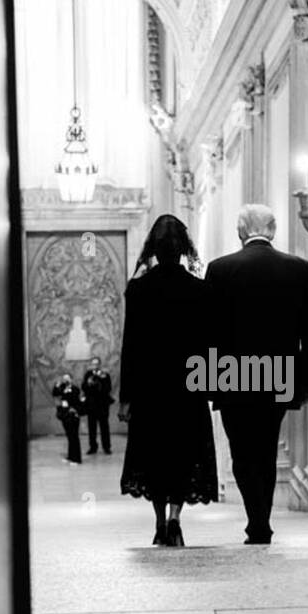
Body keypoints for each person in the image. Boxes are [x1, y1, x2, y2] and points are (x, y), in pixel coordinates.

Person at [205, 205, 308, 544]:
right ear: (272, 230)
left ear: (241, 232)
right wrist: (307, 381)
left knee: (241, 451)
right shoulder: (299, 268)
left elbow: (208, 330)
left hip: (232, 375)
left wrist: (207, 381)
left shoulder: (220, 269)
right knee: (266, 447)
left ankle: (255, 518)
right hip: (279, 374)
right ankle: (262, 520)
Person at [118, 214, 218, 546]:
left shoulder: (138, 289)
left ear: (154, 251)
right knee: (184, 453)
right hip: (188, 387)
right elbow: (208, 342)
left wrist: (126, 396)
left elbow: (130, 345)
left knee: (154, 455)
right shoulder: (199, 289)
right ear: (183, 250)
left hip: (150, 388)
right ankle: (176, 519)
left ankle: (160, 521)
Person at [81, 356, 114, 455]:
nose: (95, 365)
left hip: (103, 405)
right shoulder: (88, 375)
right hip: (91, 405)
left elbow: (108, 388)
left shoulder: (105, 375)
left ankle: (106, 447)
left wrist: (100, 379)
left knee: (104, 427)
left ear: (100, 364)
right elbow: (84, 387)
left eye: (97, 364)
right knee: (92, 427)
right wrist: (89, 383)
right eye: (93, 364)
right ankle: (93, 447)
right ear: (91, 365)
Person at [52, 372, 84, 465]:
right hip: (65, 414)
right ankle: (70, 457)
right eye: (64, 378)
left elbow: (74, 399)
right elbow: (55, 393)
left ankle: (77, 459)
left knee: (74, 437)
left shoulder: (74, 389)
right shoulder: (62, 388)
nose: (65, 380)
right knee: (69, 436)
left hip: (73, 414)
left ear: (71, 379)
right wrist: (57, 386)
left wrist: (66, 392)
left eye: (67, 378)